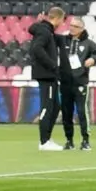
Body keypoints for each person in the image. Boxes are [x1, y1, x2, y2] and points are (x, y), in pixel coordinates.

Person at [59, 17, 96, 151]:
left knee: (81, 112)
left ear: (81, 29)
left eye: (75, 26)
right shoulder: (63, 41)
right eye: (71, 25)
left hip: (80, 82)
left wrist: (93, 59)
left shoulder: (88, 43)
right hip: (65, 82)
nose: (71, 28)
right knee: (66, 112)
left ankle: (85, 140)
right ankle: (69, 141)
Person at [29, 8, 66, 151]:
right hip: (46, 74)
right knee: (47, 107)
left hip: (49, 75)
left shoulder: (46, 30)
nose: (62, 23)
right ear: (57, 18)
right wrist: (52, 65)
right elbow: (37, 49)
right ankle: (44, 141)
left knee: (55, 106)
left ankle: (47, 139)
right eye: (62, 20)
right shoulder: (45, 31)